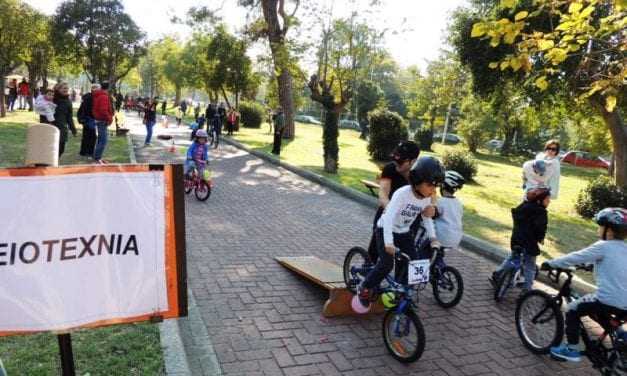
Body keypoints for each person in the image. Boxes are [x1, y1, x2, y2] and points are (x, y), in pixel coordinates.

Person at [356, 156, 444, 309]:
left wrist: (433, 238)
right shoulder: (402, 194)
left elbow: (427, 218)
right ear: (417, 180)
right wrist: (388, 242)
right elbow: (389, 216)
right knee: (386, 263)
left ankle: (402, 294)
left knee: (414, 264)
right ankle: (364, 287)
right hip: (385, 229)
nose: (433, 190)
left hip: (403, 232)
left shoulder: (426, 198)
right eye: (430, 185)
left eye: (436, 186)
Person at [546, 207, 627, 362]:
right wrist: (591, 265)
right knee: (598, 309)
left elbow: (577, 257)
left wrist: (551, 263)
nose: (599, 229)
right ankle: (621, 334)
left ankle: (572, 350)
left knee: (572, 309)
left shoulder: (603, 246)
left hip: (609, 299)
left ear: (609, 230)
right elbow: (616, 266)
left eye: (600, 226)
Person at [366, 141, 421, 264]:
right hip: (388, 211)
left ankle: (400, 281)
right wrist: (390, 210)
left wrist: (431, 208)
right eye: (395, 158)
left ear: (412, 162)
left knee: (405, 255)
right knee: (377, 244)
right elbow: (383, 193)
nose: (396, 162)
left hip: (409, 217)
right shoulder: (390, 168)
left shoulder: (420, 174)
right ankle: (367, 270)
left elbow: (430, 194)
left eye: (401, 161)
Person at [489, 187, 551, 292]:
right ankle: (527, 290)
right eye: (547, 199)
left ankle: (498, 274)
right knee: (530, 266)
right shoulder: (541, 212)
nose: (549, 201)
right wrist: (540, 238)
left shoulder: (523, 206)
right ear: (539, 200)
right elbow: (540, 228)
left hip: (516, 239)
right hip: (529, 243)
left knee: (512, 257)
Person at [435, 170, 465, 250]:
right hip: (456, 238)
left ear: (443, 186)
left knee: (423, 251)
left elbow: (431, 215)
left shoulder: (440, 202)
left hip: (442, 237)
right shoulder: (459, 203)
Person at [52, 82, 78, 157]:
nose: (66, 90)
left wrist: (73, 130)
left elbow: (69, 117)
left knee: (61, 148)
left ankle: (55, 161)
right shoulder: (52, 98)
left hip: (62, 127)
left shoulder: (68, 101)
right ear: (58, 89)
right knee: (52, 147)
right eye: (64, 88)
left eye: (67, 88)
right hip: (52, 125)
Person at [92, 82, 114, 165]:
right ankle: (97, 158)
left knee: (101, 139)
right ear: (109, 87)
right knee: (103, 140)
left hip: (99, 119)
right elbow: (103, 110)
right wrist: (110, 118)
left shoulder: (99, 95)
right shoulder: (104, 96)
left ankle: (97, 157)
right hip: (102, 120)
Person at [77, 83, 100, 157]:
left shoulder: (87, 97)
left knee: (86, 135)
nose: (95, 89)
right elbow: (88, 109)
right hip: (89, 118)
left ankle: (84, 151)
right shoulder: (91, 98)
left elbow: (82, 108)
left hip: (86, 118)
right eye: (94, 88)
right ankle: (89, 152)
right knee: (92, 136)